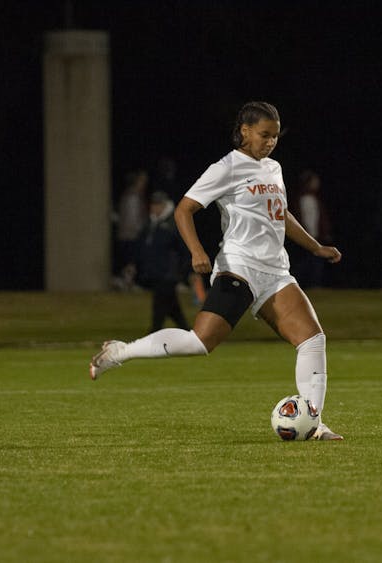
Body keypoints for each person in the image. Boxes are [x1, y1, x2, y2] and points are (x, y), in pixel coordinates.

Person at [90, 101, 345, 440]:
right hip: (239, 266)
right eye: (264, 135)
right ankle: (120, 351)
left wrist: (315, 247)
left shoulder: (273, 168)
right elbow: (184, 210)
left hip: (276, 272)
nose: (270, 142)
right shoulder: (226, 167)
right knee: (200, 341)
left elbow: (280, 214)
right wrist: (197, 250)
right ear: (244, 131)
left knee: (313, 340)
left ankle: (313, 423)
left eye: (275, 136)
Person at [132, 190, 190, 332]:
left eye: (157, 204)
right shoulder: (151, 223)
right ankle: (188, 333)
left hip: (168, 273)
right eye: (153, 204)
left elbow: (184, 248)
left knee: (160, 304)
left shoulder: (173, 222)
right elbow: (142, 245)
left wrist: (184, 271)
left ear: (164, 205)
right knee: (172, 307)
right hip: (155, 272)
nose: (154, 207)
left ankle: (154, 332)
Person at [289, 169, 332, 288]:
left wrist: (324, 232)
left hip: (316, 237)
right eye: (314, 181)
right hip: (305, 236)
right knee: (304, 263)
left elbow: (320, 218)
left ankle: (315, 285)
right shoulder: (300, 199)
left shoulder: (314, 199)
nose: (317, 183)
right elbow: (298, 219)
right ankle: (293, 283)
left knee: (315, 263)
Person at [114, 169, 149, 290]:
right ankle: (127, 283)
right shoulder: (133, 197)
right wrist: (142, 231)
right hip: (131, 234)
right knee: (131, 261)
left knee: (130, 261)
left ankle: (127, 282)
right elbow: (132, 218)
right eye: (142, 181)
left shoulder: (129, 195)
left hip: (127, 234)